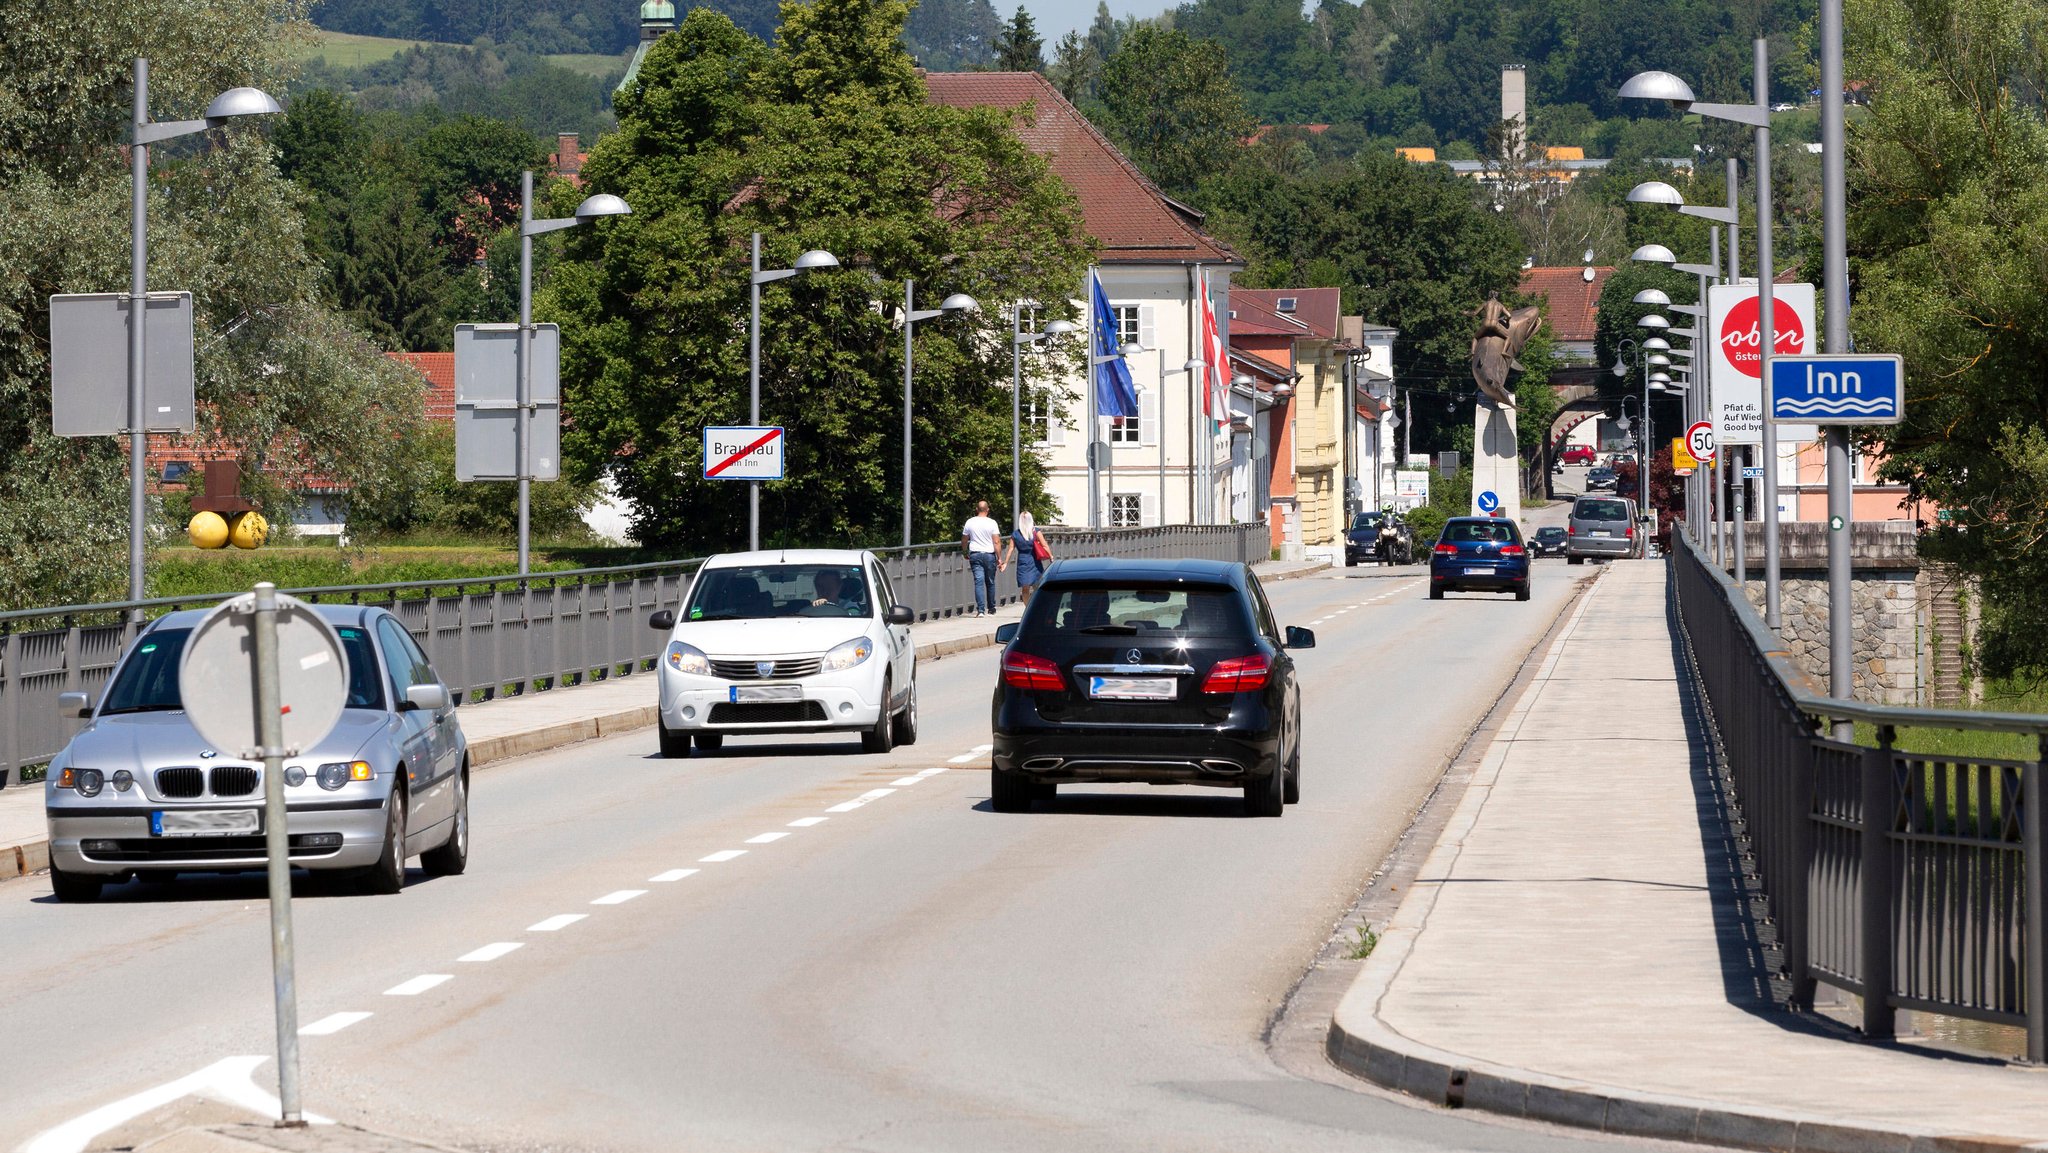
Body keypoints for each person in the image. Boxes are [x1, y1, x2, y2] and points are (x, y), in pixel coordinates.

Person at [1000, 511, 1053, 605]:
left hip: (1023, 561)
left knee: (1025, 588)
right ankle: (1038, 607)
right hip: (1034, 560)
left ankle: (1027, 608)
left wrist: (1005, 562)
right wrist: (1051, 557)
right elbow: (1045, 545)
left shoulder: (1015, 534)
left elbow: (1011, 549)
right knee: (1037, 585)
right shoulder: (1036, 531)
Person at [962, 500, 1001, 616]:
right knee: (990, 581)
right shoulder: (992, 523)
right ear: (988, 510)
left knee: (978, 582)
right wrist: (999, 558)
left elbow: (964, 540)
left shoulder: (970, 522)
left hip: (975, 554)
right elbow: (996, 541)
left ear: (976, 509)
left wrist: (965, 552)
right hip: (989, 555)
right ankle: (992, 608)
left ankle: (980, 610)